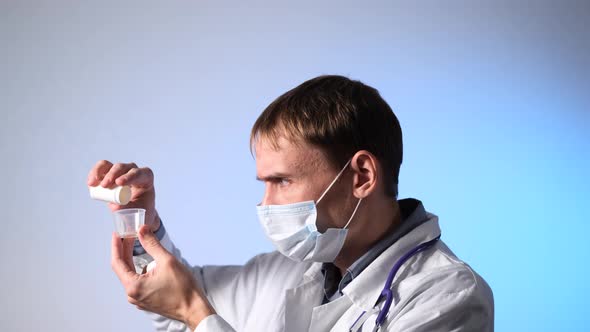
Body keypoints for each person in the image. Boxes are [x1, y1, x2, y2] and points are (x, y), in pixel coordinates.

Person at [88, 75, 494, 331]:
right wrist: (139, 221)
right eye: (264, 183)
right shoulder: (289, 271)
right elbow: (173, 298)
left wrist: (197, 315)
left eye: (282, 181)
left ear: (362, 177)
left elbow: (191, 307)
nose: (265, 204)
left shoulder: (447, 297)